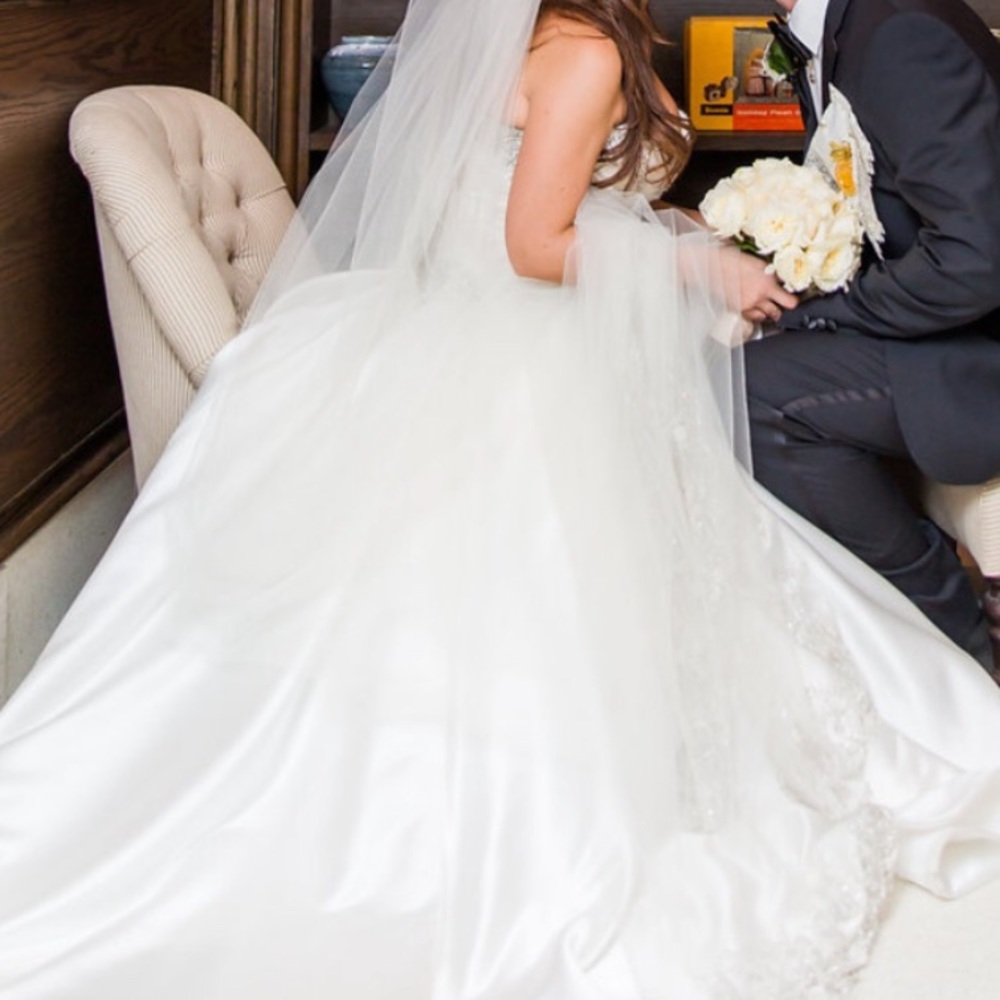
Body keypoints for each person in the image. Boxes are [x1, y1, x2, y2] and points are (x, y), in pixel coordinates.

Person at [1, 0, 1000, 997]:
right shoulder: (589, 51)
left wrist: (676, 231)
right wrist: (691, 263)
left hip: (458, 317)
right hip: (526, 333)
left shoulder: (546, 39)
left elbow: (526, 203)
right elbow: (533, 241)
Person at [745, 0, 1000, 674]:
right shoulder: (854, 26)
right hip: (947, 327)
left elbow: (979, 261)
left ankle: (948, 638)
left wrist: (833, 311)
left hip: (980, 349)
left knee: (755, 394)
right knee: (742, 352)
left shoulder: (900, 35)